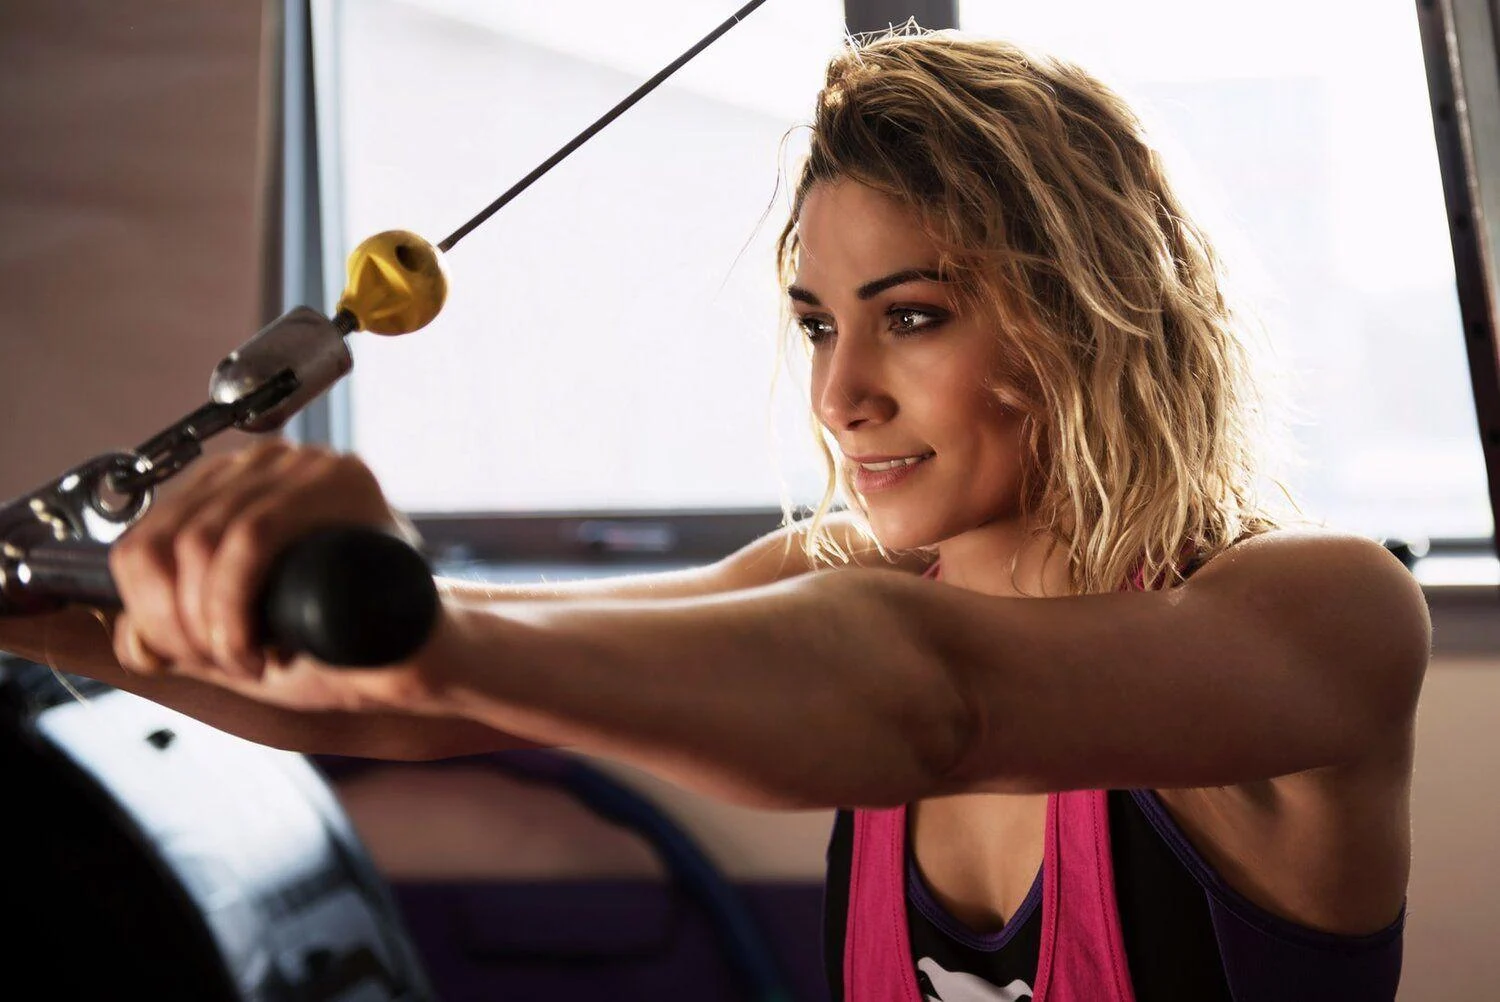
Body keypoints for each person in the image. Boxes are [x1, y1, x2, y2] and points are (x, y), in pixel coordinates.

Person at [0, 27, 1430, 1002]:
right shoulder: (833, 574)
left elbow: (937, 698)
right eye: (817, 323)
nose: (841, 394)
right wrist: (55, 618)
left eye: (911, 316)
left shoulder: (1325, 611)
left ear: (1090, 311)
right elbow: (425, 698)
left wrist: (423, 630)